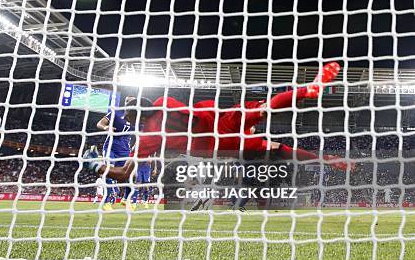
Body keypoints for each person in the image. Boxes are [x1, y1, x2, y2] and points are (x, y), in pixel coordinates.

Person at [83, 63, 352, 181]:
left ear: (132, 118)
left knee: (273, 147)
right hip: (222, 122)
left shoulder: (147, 138)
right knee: (266, 108)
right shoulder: (163, 102)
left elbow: (121, 175)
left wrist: (96, 166)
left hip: (217, 147)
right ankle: (309, 91)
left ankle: (328, 159)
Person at [96, 98, 134, 211]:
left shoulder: (137, 119)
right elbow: (100, 123)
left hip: (125, 150)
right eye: (128, 102)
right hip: (111, 147)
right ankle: (107, 202)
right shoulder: (116, 113)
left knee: (131, 175)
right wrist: (106, 127)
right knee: (108, 171)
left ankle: (126, 199)